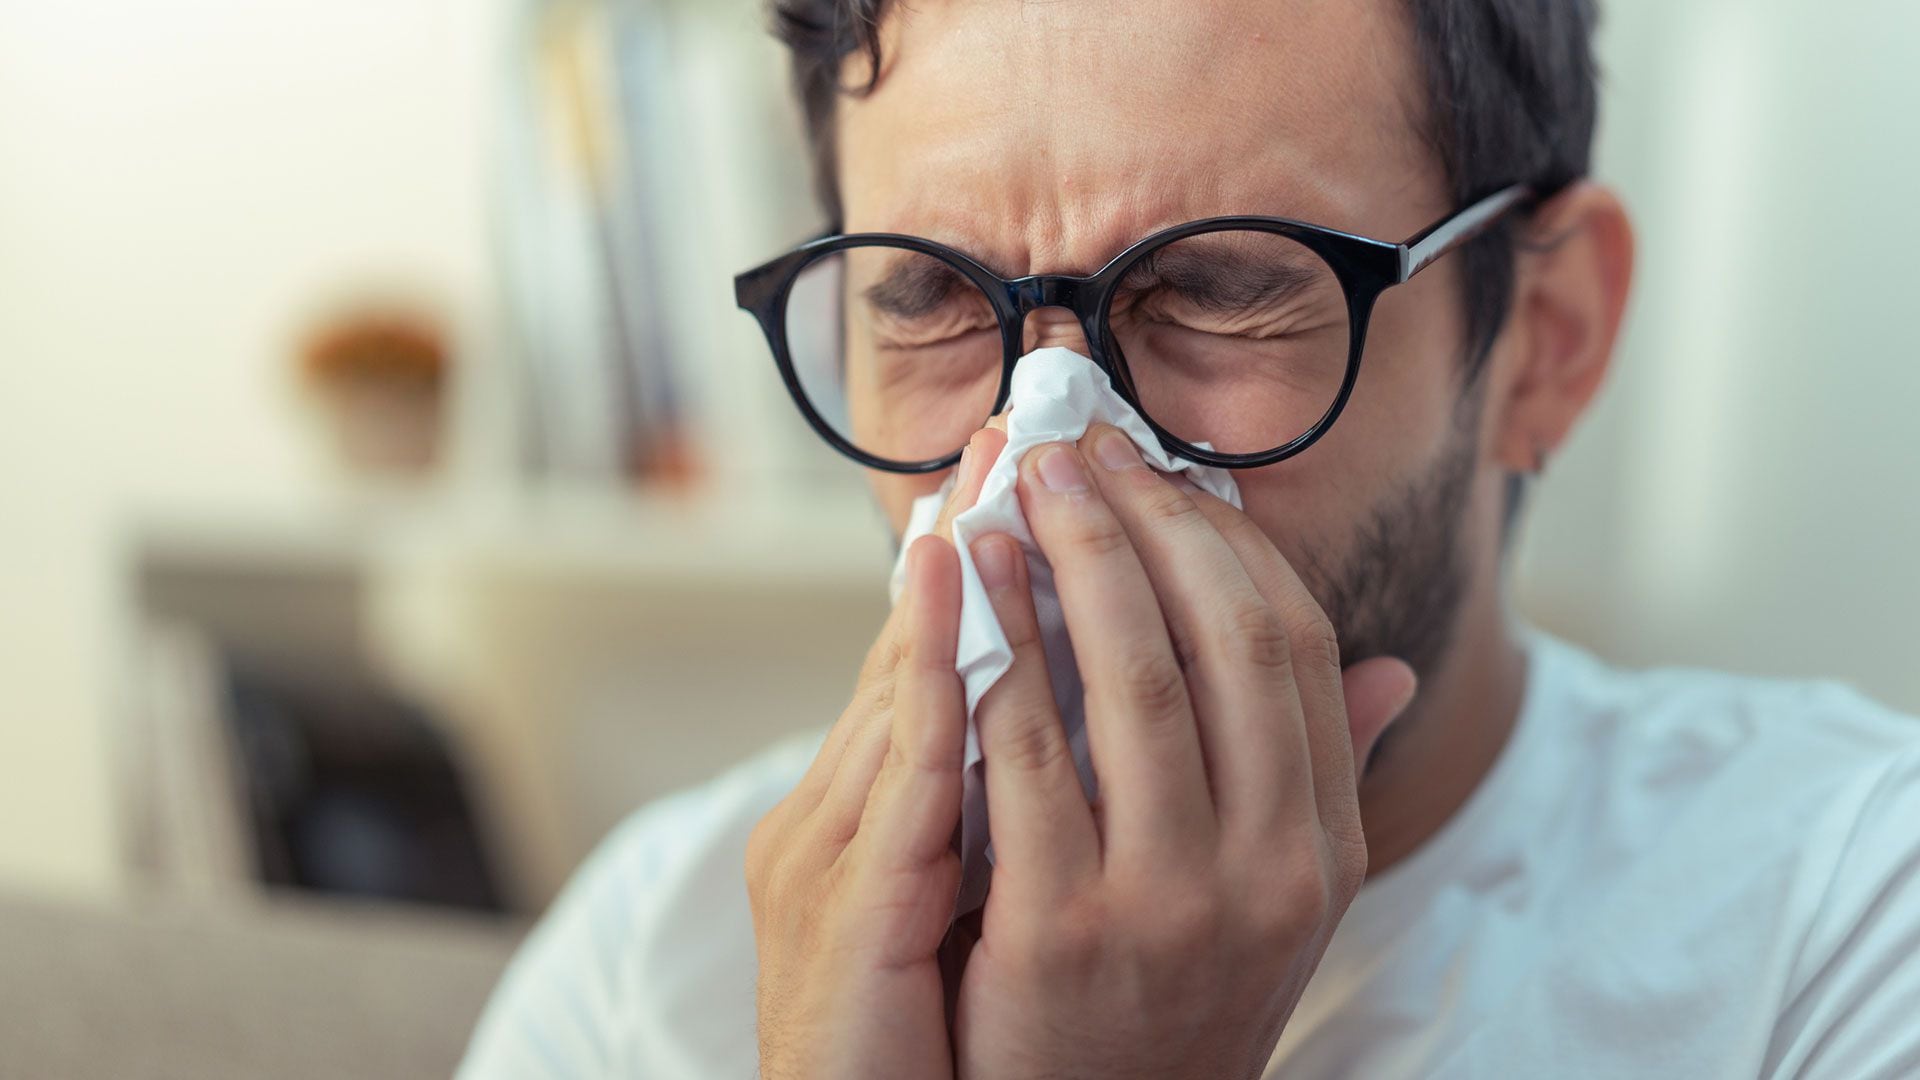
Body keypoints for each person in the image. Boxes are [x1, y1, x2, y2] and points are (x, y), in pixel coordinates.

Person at [460, 0, 1920, 1075]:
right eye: (924, 301)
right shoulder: (656, 959)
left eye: (1221, 287)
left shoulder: (1843, 922)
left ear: (1546, 338)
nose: (1043, 454)